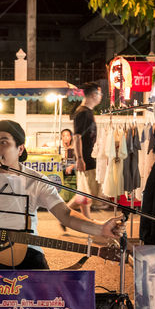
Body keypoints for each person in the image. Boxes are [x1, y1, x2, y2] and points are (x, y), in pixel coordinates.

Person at [0, 120, 124, 270]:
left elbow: (66, 214)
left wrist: (100, 228)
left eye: (3, 142)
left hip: (28, 253)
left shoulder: (35, 180)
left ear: (20, 149)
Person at [72, 83, 102, 220]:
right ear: (93, 95)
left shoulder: (87, 111)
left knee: (84, 193)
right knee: (88, 193)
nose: (101, 97)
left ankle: (87, 220)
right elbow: (77, 136)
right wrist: (79, 159)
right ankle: (66, 214)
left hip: (88, 157)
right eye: (100, 94)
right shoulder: (83, 112)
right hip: (85, 159)